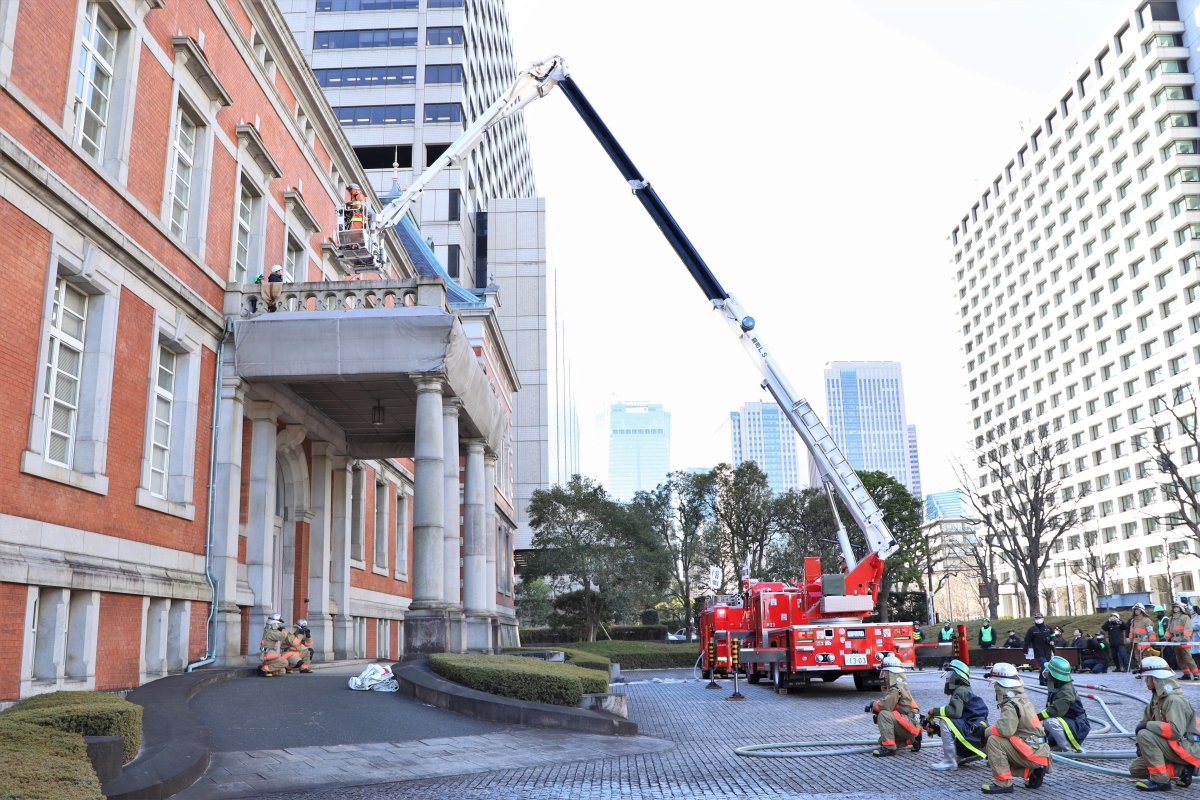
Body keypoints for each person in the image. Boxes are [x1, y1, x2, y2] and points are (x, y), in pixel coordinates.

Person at [1128, 655, 1200, 791]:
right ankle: (1183, 769)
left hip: (1187, 747)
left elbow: (1175, 731)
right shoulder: (1157, 699)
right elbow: (1145, 720)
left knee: (1145, 734)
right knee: (1136, 769)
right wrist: (1140, 745)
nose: (1146, 682)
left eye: (1147, 678)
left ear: (1156, 679)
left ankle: (1160, 781)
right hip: (1174, 747)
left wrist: (1146, 728)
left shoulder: (1173, 700)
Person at [982, 662, 1052, 794]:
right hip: (1040, 751)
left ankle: (1003, 783)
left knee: (994, 741)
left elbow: (1005, 730)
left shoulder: (1010, 705)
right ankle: (1032, 772)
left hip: (1033, 753)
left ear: (1001, 687)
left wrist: (984, 732)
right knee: (1005, 742)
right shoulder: (1022, 700)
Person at [926, 658, 989, 771]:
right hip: (975, 728)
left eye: (950, 674)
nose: (947, 677)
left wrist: (933, 711)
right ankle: (963, 754)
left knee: (945, 721)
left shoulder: (960, 690)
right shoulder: (964, 689)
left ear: (957, 676)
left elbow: (955, 712)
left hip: (972, 729)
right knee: (951, 724)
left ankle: (949, 761)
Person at [867, 655, 922, 757]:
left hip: (909, 723)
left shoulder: (895, 689)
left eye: (886, 673)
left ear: (892, 674)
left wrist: (873, 705)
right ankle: (912, 740)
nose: (884, 676)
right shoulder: (902, 687)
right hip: (913, 724)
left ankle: (889, 748)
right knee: (882, 740)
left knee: (884, 714)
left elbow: (885, 706)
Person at [1038, 656, 1090, 752]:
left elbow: (1053, 711)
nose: (1046, 674)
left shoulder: (1066, 692)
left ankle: (1070, 749)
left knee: (1049, 721)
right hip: (1068, 722)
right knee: (1045, 739)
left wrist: (1035, 718)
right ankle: (1058, 744)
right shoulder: (1057, 686)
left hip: (1077, 728)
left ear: (1054, 675)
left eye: (1048, 672)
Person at [1165, 600, 1200, 680]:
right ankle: (1186, 674)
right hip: (1176, 640)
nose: (1175, 609)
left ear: (1181, 608)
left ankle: (1196, 674)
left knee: (1187, 658)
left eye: (1177, 607)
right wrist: (1165, 637)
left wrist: (1186, 638)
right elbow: (1169, 630)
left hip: (1184, 640)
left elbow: (1188, 629)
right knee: (1179, 658)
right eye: (1174, 607)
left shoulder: (1185, 617)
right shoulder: (1171, 618)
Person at [1130, 603, 1160, 674]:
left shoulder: (1147, 620)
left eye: (1138, 610)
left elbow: (1151, 631)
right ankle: (1142, 672)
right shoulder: (1133, 620)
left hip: (1144, 641)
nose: (1136, 611)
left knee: (1146, 657)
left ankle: (1149, 672)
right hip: (1136, 641)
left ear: (1142, 611)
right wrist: (1131, 640)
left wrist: (1151, 641)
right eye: (1135, 610)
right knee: (1138, 657)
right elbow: (1131, 632)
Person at [1025, 614, 1055, 683]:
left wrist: (1052, 640)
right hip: (1038, 650)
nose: (1038, 619)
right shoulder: (1032, 629)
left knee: (1048, 665)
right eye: (1036, 618)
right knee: (1044, 664)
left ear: (1043, 618)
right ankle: (1043, 680)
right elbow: (1027, 640)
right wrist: (1025, 650)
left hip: (1048, 650)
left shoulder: (1048, 628)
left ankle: (1042, 679)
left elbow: (1053, 635)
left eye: (1039, 618)